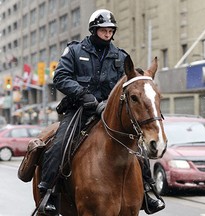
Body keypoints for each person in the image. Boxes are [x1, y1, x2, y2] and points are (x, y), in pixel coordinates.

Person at [37, 9, 164, 215]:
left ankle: (148, 191)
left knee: (136, 148)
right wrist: (83, 95)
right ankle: (49, 191)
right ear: (94, 30)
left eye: (110, 30)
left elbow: (131, 84)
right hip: (81, 109)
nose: (107, 34)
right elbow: (60, 77)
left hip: (110, 111)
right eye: (103, 30)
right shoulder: (75, 51)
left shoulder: (121, 56)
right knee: (60, 143)